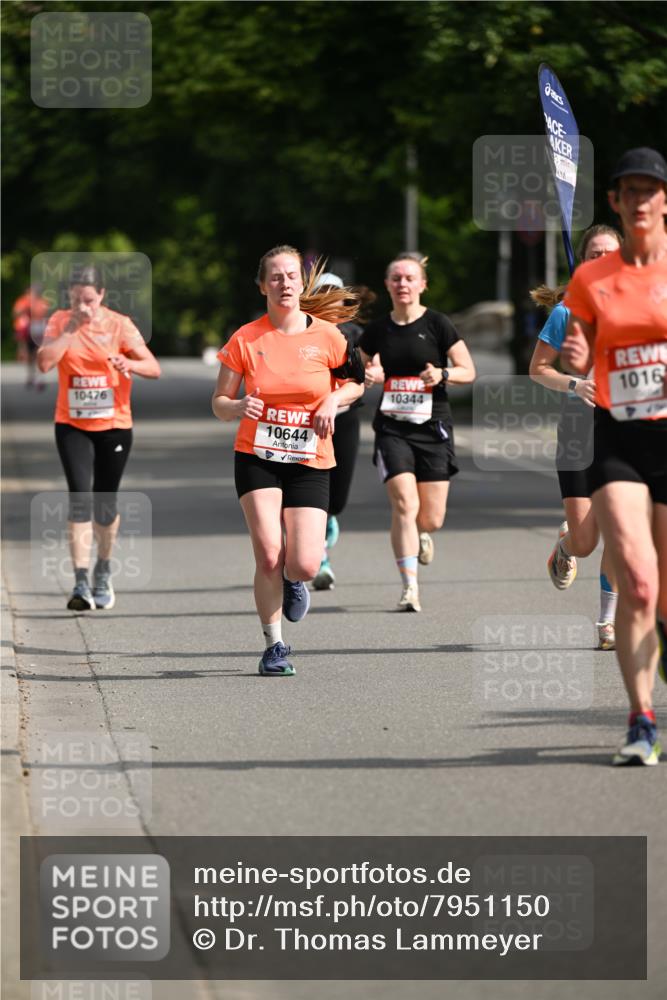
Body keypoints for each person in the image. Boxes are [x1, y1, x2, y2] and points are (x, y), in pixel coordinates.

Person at [212, 246, 364, 677]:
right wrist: (239, 406)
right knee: (267, 555)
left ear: (303, 283)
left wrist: (334, 399)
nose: (284, 284)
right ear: (263, 285)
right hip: (257, 455)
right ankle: (274, 644)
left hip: (310, 456)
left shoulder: (330, 337)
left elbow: (355, 383)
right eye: (275, 277)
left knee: (304, 563)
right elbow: (219, 403)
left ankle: (294, 580)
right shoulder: (245, 338)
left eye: (291, 276)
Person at [562, 147, 667, 766]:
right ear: (615, 203)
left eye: (649, 190)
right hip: (617, 434)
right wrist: (578, 356)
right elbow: (578, 347)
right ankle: (641, 719)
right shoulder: (590, 278)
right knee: (639, 580)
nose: (639, 201)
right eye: (628, 191)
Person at [37, 265, 161, 611]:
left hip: (114, 426)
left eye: (89, 300)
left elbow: (153, 367)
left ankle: (102, 572)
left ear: (102, 295)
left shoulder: (120, 324)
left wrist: (128, 363)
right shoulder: (60, 321)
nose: (83, 306)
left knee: (105, 504)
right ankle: (79, 582)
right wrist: (72, 328)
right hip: (72, 424)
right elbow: (44, 363)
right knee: (79, 498)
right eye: (76, 299)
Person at [358, 252, 475, 612]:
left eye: (410, 278)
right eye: (396, 278)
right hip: (393, 427)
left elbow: (468, 370)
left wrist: (442, 374)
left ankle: (422, 534)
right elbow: (356, 371)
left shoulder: (438, 325)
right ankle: (410, 587)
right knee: (404, 504)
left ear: (422, 284)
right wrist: (369, 376)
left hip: (433, 425)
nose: (403, 284)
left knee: (431, 518)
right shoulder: (377, 331)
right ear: (387, 284)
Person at [529, 225, 622, 651]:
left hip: (627, 430)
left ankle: (606, 623)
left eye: (611, 252)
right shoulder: (566, 312)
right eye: (595, 253)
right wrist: (574, 385)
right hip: (579, 430)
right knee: (587, 541)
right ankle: (565, 548)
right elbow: (538, 369)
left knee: (619, 530)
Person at [309, 273, 376, 590]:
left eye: (334, 293)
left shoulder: (356, 333)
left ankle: (329, 520)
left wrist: (373, 373)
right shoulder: (300, 329)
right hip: (305, 423)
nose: (329, 298)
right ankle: (318, 556)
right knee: (310, 492)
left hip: (344, 418)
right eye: (322, 292)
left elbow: (375, 365)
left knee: (337, 498)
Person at [13, 284, 49, 389]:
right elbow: (16, 313)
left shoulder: (43, 302)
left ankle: (39, 379)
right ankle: (31, 376)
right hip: (27, 331)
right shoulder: (24, 301)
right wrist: (25, 309)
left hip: (39, 330)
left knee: (38, 354)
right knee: (29, 355)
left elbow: (45, 315)